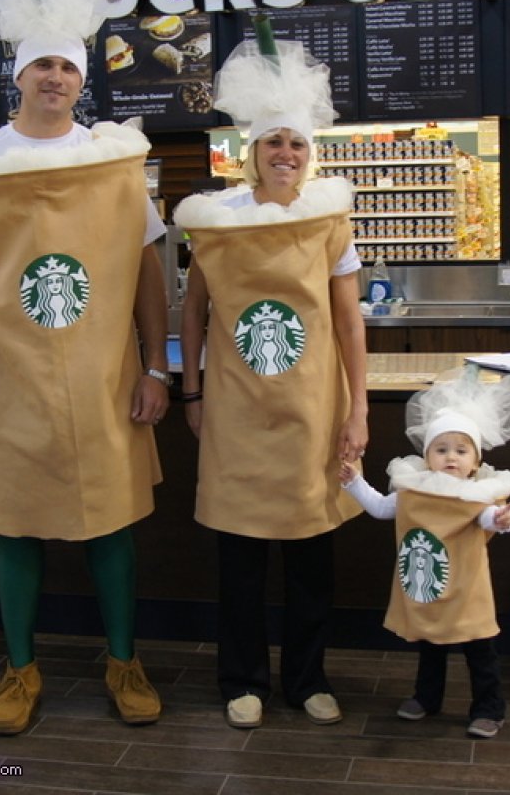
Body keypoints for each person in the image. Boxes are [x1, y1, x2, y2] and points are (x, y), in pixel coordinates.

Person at [0, 0, 169, 736]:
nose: (55, 77)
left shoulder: (112, 158)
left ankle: (123, 660)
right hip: (4, 381)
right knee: (15, 525)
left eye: (67, 66)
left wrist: (156, 366)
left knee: (111, 524)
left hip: (102, 380)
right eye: (43, 64)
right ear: (18, 74)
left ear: (80, 81)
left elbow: (148, 274)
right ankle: (21, 668)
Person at [174, 36, 369, 729]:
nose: (285, 153)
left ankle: (308, 678)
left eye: (296, 143)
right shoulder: (215, 220)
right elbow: (193, 310)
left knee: (313, 550)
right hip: (236, 407)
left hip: (314, 407)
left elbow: (349, 324)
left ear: (309, 153)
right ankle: (242, 679)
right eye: (272, 143)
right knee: (242, 554)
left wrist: (359, 411)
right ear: (250, 151)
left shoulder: (329, 218)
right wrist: (192, 392)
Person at [339, 367, 510, 739]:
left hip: (467, 590)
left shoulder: (476, 496)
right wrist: (354, 483)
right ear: (427, 457)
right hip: (431, 589)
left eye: (461, 450)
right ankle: (427, 697)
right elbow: (381, 508)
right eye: (440, 450)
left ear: (475, 461)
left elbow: (489, 519)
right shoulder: (415, 491)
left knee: (479, 649)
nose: (450, 458)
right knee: (430, 644)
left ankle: (489, 707)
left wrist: (503, 520)